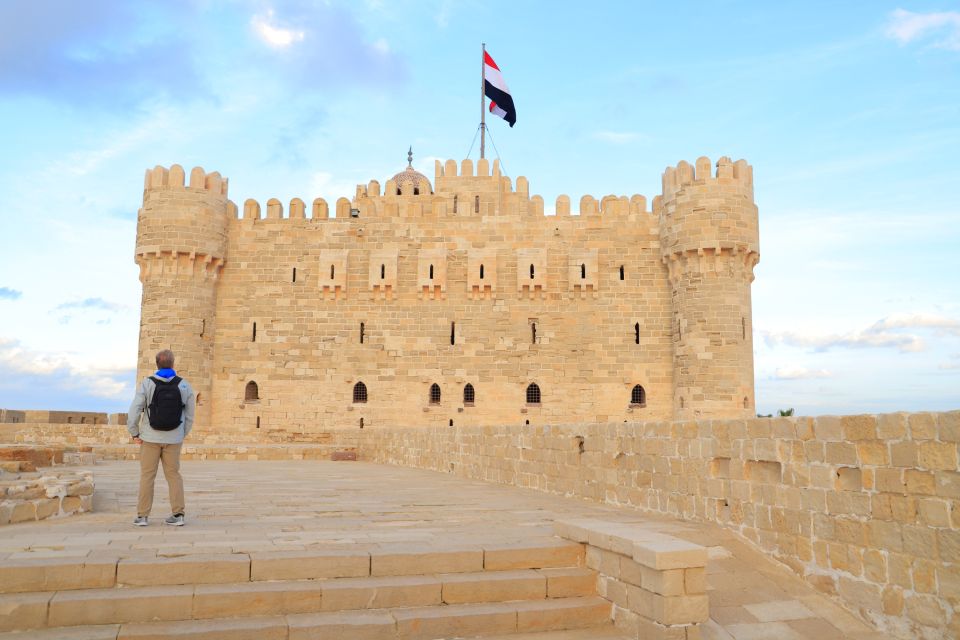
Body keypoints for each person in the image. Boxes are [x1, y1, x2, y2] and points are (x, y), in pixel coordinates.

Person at [127, 349, 195, 526]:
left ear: (157, 364)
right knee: (174, 476)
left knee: (147, 476)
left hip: (150, 438)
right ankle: (178, 515)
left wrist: (134, 432)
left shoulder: (147, 384)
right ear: (173, 364)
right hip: (174, 438)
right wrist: (181, 434)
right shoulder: (185, 385)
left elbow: (135, 410)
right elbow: (189, 416)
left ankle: (142, 516)